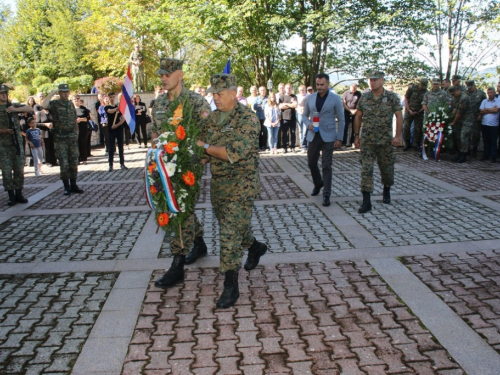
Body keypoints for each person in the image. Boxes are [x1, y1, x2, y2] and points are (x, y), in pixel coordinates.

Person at [196, 73, 267, 308]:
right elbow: (203, 153)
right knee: (236, 229)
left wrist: (204, 147)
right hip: (219, 186)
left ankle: (230, 286)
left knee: (228, 234)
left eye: (219, 93)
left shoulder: (247, 119)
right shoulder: (212, 119)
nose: (215, 98)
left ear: (233, 93)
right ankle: (255, 247)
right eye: (213, 93)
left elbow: (230, 153)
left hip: (242, 186)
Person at [151, 57, 212, 288]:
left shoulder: (196, 103)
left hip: (189, 169)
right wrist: (154, 160)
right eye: (161, 75)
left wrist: (201, 158)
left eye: (168, 74)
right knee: (180, 209)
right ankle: (199, 243)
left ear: (180, 74)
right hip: (164, 169)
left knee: (179, 211)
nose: (164, 78)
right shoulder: (159, 104)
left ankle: (177, 265)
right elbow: (156, 135)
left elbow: (209, 134)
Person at [353, 71, 403, 213]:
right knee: (366, 170)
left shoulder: (391, 97)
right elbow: (358, 117)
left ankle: (386, 189)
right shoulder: (365, 97)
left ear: (382, 80)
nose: (372, 82)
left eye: (375, 80)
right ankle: (366, 200)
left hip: (385, 142)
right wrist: (357, 136)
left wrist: (398, 136)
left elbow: (399, 116)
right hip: (367, 141)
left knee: (387, 170)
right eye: (370, 80)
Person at [302, 73, 345, 207]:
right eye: (318, 85)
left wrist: (340, 137)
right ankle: (318, 183)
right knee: (311, 163)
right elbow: (304, 116)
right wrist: (308, 123)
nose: (319, 87)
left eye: (322, 85)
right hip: (313, 134)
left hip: (329, 136)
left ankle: (326, 194)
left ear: (328, 84)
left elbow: (342, 119)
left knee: (326, 165)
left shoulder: (335, 98)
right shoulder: (310, 98)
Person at [42, 84, 84, 196]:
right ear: (60, 93)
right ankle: (66, 186)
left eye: (67, 91)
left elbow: (74, 120)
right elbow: (44, 105)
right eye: (63, 92)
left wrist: (76, 134)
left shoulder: (70, 104)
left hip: (71, 137)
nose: (66, 94)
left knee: (74, 162)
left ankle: (74, 184)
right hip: (60, 138)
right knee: (64, 162)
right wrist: (52, 92)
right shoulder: (55, 104)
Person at [0, 84, 31, 206]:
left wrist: (15, 110)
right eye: (1, 93)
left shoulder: (12, 105)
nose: (4, 95)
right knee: (6, 172)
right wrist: (4, 131)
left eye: (5, 93)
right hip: (3, 145)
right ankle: (10, 195)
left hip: (16, 143)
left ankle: (19, 193)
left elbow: (29, 108)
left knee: (19, 170)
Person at [449, 86, 474, 163]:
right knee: (458, 137)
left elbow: (459, 113)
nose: (453, 96)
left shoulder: (464, 98)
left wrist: (453, 122)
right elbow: (455, 109)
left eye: (453, 94)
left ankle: (464, 154)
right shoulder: (457, 98)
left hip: (467, 120)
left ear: (457, 91)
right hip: (460, 120)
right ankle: (460, 153)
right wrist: (449, 117)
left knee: (463, 137)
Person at [403, 78, 428, 151]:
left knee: (418, 129)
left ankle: (417, 143)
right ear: (419, 83)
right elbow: (406, 99)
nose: (422, 87)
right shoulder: (412, 89)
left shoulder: (426, 92)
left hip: (419, 112)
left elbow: (425, 103)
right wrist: (409, 109)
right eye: (421, 85)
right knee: (406, 127)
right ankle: (407, 143)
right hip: (409, 111)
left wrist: (419, 111)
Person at [105, 92, 127, 171]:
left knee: (121, 147)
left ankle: (122, 164)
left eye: (113, 97)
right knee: (111, 148)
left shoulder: (119, 107)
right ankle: (110, 165)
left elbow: (123, 119)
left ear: (115, 97)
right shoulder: (107, 107)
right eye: (110, 97)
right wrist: (116, 109)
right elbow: (109, 111)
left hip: (119, 129)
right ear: (108, 98)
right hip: (111, 131)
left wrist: (117, 125)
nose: (112, 98)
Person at [465, 80, 487, 157]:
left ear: (474, 86)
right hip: (467, 117)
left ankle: (474, 150)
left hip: (477, 117)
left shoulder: (481, 94)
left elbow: (485, 105)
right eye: (468, 87)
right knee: (466, 134)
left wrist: (481, 114)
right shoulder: (465, 93)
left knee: (476, 135)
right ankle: (466, 150)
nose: (469, 89)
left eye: (470, 87)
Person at [479, 87, 500, 163]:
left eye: (491, 93)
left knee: (493, 142)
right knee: (486, 141)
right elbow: (481, 111)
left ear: (494, 93)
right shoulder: (484, 101)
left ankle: (493, 157)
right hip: (484, 124)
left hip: (494, 125)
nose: (489, 94)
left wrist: (486, 110)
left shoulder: (498, 101)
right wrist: (491, 110)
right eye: (488, 93)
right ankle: (485, 155)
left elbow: (496, 110)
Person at [279, 83, 298, 153]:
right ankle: (285, 147)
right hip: (284, 118)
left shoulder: (294, 97)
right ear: (285, 89)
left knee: (293, 133)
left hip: (292, 117)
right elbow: (280, 106)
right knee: (284, 133)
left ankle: (293, 147)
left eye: (290, 88)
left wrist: (286, 104)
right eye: (287, 88)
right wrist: (291, 104)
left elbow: (295, 105)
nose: (288, 89)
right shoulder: (282, 97)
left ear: (291, 89)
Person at [72, 94, 91, 165]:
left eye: (77, 98)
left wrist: (81, 119)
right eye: (75, 99)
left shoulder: (83, 108)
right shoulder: (71, 109)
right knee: (76, 144)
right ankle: (77, 159)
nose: (76, 100)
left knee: (83, 143)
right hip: (74, 129)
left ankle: (84, 159)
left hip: (83, 128)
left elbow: (88, 118)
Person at [342, 83, 362, 148]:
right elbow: (344, 103)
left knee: (354, 127)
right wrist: (350, 110)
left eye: (354, 90)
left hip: (355, 111)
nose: (353, 91)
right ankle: (344, 142)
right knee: (345, 126)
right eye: (352, 90)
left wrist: (355, 111)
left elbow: (360, 104)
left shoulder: (359, 94)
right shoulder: (346, 93)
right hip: (347, 111)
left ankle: (352, 142)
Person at [253, 86, 268, 150]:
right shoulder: (257, 98)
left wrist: (260, 106)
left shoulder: (267, 98)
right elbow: (255, 106)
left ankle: (264, 145)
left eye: (264, 90)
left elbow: (267, 106)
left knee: (265, 131)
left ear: (265, 91)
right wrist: (263, 106)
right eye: (261, 90)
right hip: (258, 117)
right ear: (259, 91)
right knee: (258, 131)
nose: (263, 91)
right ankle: (259, 145)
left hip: (265, 117)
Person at [296, 85, 308, 152]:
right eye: (300, 90)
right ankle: (301, 144)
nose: (301, 91)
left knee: (305, 131)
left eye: (303, 90)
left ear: (305, 90)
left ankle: (304, 146)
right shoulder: (297, 96)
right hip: (299, 115)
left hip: (306, 115)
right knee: (300, 131)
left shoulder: (308, 96)